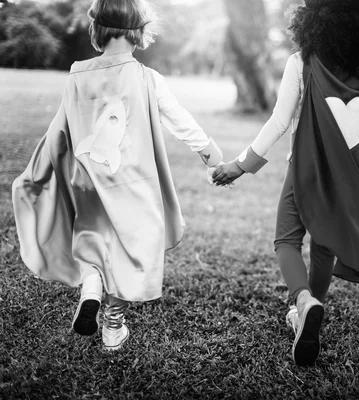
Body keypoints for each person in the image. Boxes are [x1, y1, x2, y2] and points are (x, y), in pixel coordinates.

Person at [12, 0, 223, 351]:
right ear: (140, 32)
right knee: (133, 247)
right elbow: (179, 119)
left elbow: (58, 131)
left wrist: (39, 171)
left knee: (94, 238)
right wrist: (211, 156)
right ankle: (112, 326)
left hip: (89, 181)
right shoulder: (146, 78)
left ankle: (91, 288)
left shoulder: (78, 73)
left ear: (97, 30)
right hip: (134, 185)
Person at [212, 0, 359, 366]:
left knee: (287, 238)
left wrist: (241, 165)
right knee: (324, 248)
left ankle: (303, 301)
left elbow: (279, 121)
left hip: (305, 170)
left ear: (309, 20)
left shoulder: (300, 63)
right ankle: (310, 313)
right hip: (351, 177)